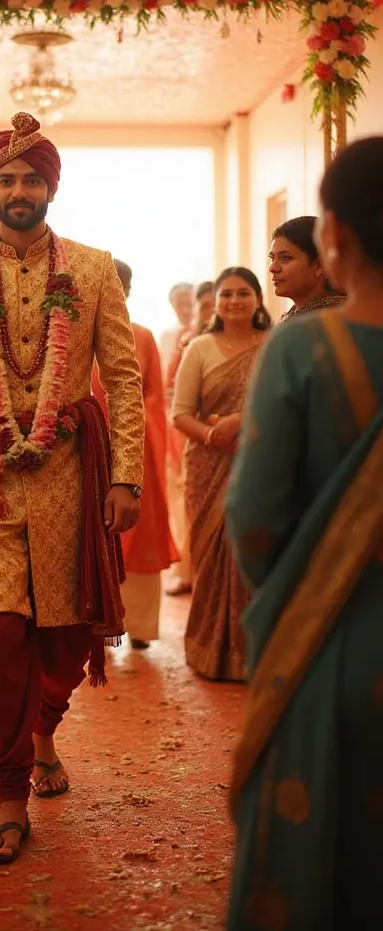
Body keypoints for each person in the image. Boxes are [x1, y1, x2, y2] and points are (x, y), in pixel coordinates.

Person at [0, 112, 144, 865]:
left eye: (32, 179)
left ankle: (44, 731)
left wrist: (128, 474)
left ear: (50, 188)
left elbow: (124, 380)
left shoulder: (94, 266)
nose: (19, 190)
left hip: (71, 468)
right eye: (6, 179)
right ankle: (9, 794)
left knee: (64, 637)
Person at [226, 137, 383, 929]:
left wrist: (295, 599)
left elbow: (254, 523)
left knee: (321, 865)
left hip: (336, 653)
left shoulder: (303, 347)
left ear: (337, 238)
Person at [172, 267, 270, 680]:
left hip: (263, 464)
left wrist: (247, 428)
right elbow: (181, 414)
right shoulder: (200, 348)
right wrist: (216, 434)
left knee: (256, 553)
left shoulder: (275, 345)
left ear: (258, 299)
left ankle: (257, 655)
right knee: (214, 559)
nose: (233, 301)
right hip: (208, 466)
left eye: (243, 293)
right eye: (226, 294)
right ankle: (212, 652)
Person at [93, 259, 177, 648]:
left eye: (119, 285)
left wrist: (135, 440)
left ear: (126, 290)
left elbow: (155, 400)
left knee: (138, 536)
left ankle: (141, 627)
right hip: (85, 450)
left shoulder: (141, 337)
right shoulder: (74, 332)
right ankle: (96, 622)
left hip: (134, 449)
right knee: (90, 537)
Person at [164, 280, 216, 596]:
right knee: (188, 502)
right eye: (204, 305)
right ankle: (188, 570)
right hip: (190, 432)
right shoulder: (187, 342)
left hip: (233, 437)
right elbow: (170, 389)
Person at [269, 214, 346, 320]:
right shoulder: (297, 316)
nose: (273, 268)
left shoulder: (332, 320)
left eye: (286, 258)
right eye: (272, 258)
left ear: (319, 266)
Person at [158, 281, 195, 372]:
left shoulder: (207, 334)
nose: (185, 311)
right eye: (179, 305)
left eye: (189, 304)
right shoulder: (166, 336)